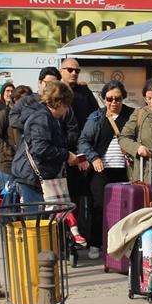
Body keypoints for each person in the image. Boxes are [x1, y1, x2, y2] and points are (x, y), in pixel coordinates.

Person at [77, 80, 134, 259]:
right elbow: (83, 141)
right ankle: (96, 242)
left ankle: (122, 244)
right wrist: (94, 157)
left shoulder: (133, 115)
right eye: (109, 99)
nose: (114, 102)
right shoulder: (96, 117)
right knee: (99, 206)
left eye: (117, 98)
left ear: (123, 98)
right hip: (101, 170)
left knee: (126, 208)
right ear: (104, 99)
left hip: (126, 170)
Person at [11, 80, 73, 206]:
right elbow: (41, 148)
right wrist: (67, 155)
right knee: (37, 220)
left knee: (44, 219)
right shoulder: (42, 117)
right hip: (32, 177)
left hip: (35, 175)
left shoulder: (46, 116)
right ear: (60, 103)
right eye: (67, 105)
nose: (67, 110)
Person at [61, 57, 99, 243]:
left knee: (83, 198)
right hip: (61, 155)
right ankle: (65, 239)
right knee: (63, 200)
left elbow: (96, 115)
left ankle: (82, 237)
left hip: (83, 152)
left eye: (76, 70)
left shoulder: (84, 92)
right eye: (69, 69)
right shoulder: (57, 92)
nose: (74, 73)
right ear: (61, 70)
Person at [119, 78, 152, 182]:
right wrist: (137, 148)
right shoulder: (139, 114)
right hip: (145, 171)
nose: (151, 102)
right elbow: (123, 138)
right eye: (148, 98)